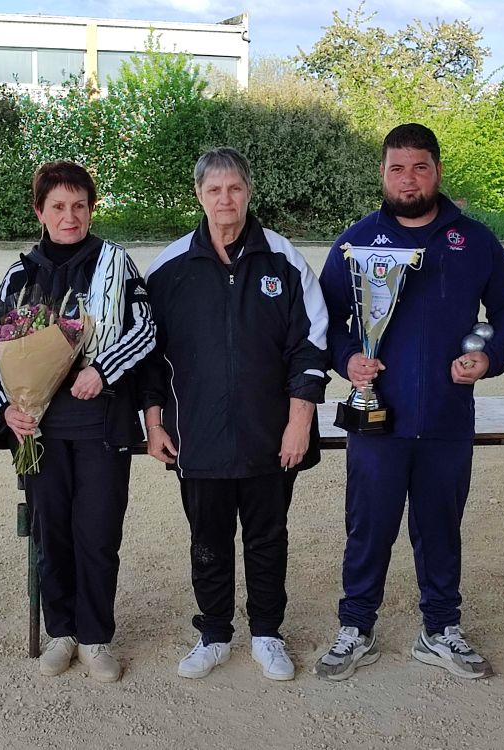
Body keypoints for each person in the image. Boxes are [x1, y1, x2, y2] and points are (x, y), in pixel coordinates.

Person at [315, 123, 504, 681]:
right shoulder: (357, 242)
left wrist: (490, 357)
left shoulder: (473, 240)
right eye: (397, 169)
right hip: (375, 418)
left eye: (419, 168)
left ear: (437, 171)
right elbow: (325, 318)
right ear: (382, 174)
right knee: (368, 527)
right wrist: (348, 359)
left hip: (445, 416)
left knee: (440, 527)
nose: (408, 180)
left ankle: (440, 629)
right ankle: (356, 627)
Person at [142, 147, 329, 681]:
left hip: (271, 436)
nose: (225, 199)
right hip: (196, 436)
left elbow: (311, 344)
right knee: (208, 541)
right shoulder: (169, 268)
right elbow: (146, 355)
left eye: (235, 188)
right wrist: (153, 423)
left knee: (268, 538)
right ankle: (214, 634)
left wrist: (299, 422)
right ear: (199, 195)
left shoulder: (284, 260)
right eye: (214, 190)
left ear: (249, 192)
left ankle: (268, 633)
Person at [0, 161, 156, 681]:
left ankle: (96, 637)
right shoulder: (20, 274)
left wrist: (103, 369)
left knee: (97, 533)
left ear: (91, 209)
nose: (69, 216)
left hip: (101, 423)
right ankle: (62, 631)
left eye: (79, 205)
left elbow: (146, 328)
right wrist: (7, 407)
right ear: (40, 212)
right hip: (41, 431)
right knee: (50, 533)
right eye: (57, 206)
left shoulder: (116, 263)